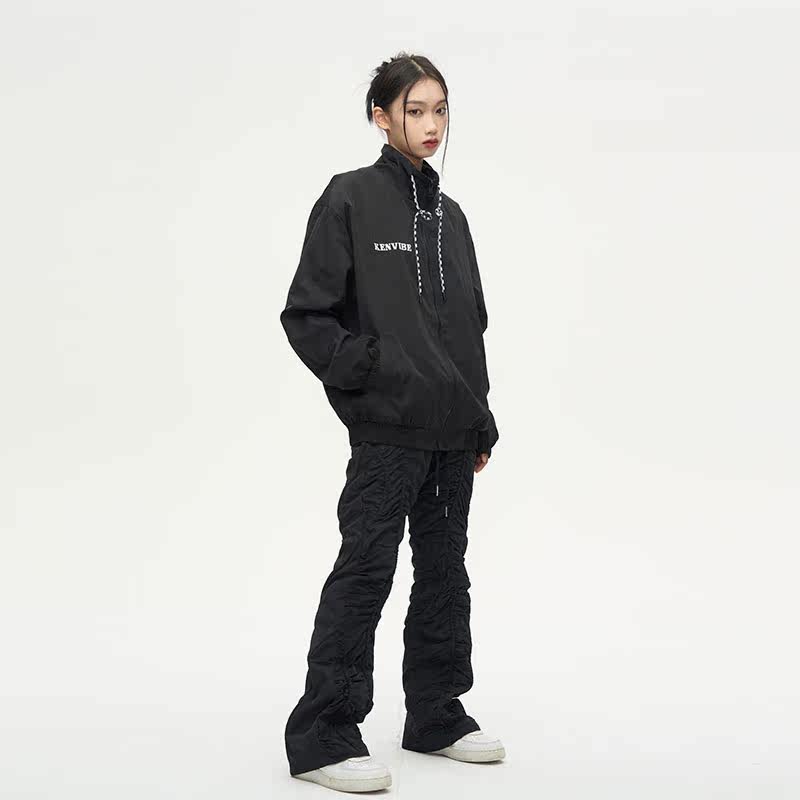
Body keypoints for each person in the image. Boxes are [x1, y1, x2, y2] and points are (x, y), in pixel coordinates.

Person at [279, 51, 504, 793]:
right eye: (415, 110)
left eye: (440, 110)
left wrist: (480, 419)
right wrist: (371, 373)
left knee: (445, 575)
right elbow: (308, 316)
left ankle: (436, 715)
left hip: (452, 435)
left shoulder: (451, 217)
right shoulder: (350, 198)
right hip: (387, 431)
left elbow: (468, 326)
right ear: (381, 116)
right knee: (366, 571)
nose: (431, 124)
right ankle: (322, 734)